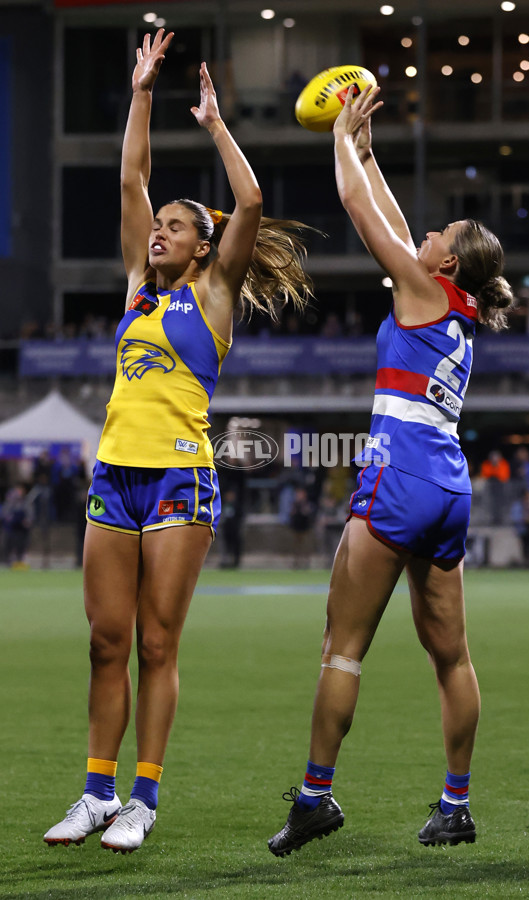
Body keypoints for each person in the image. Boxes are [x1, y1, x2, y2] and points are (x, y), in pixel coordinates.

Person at [44, 29, 313, 854]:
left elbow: (255, 202)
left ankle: (144, 799)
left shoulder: (216, 295)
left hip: (179, 481)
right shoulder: (136, 288)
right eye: (154, 224)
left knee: (157, 643)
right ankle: (96, 791)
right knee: (105, 642)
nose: (157, 231)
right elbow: (130, 175)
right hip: (114, 475)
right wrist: (140, 93)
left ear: (203, 244)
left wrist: (215, 124)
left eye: (173, 226)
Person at [268, 84, 515, 856]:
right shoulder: (455, 306)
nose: (431, 229)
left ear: (447, 260)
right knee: (452, 656)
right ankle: (457, 805)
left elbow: (352, 200)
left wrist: (341, 139)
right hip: (448, 486)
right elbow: (387, 206)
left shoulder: (416, 287)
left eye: (444, 229)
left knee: (343, 647)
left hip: (399, 479)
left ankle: (314, 798)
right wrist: (368, 147)